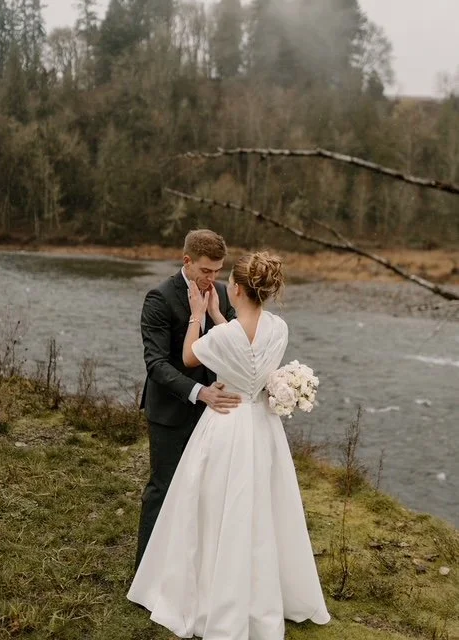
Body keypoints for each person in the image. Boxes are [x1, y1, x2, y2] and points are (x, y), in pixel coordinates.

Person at [128, 251, 331, 639]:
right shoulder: (279, 328)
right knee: (263, 505)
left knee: (213, 504)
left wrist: (196, 316)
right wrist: (220, 318)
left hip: (225, 424)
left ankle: (208, 589)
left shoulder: (220, 336)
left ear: (235, 289)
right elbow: (251, 355)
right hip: (262, 426)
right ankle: (264, 593)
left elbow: (190, 356)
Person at [135, 229, 241, 569]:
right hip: (170, 411)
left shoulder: (223, 295)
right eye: (206, 271)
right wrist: (199, 392)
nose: (213, 278)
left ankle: (188, 570)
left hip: (214, 415)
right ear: (187, 261)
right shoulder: (159, 298)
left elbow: (235, 345)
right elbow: (156, 365)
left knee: (204, 492)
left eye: (218, 271)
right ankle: (146, 571)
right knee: (163, 489)